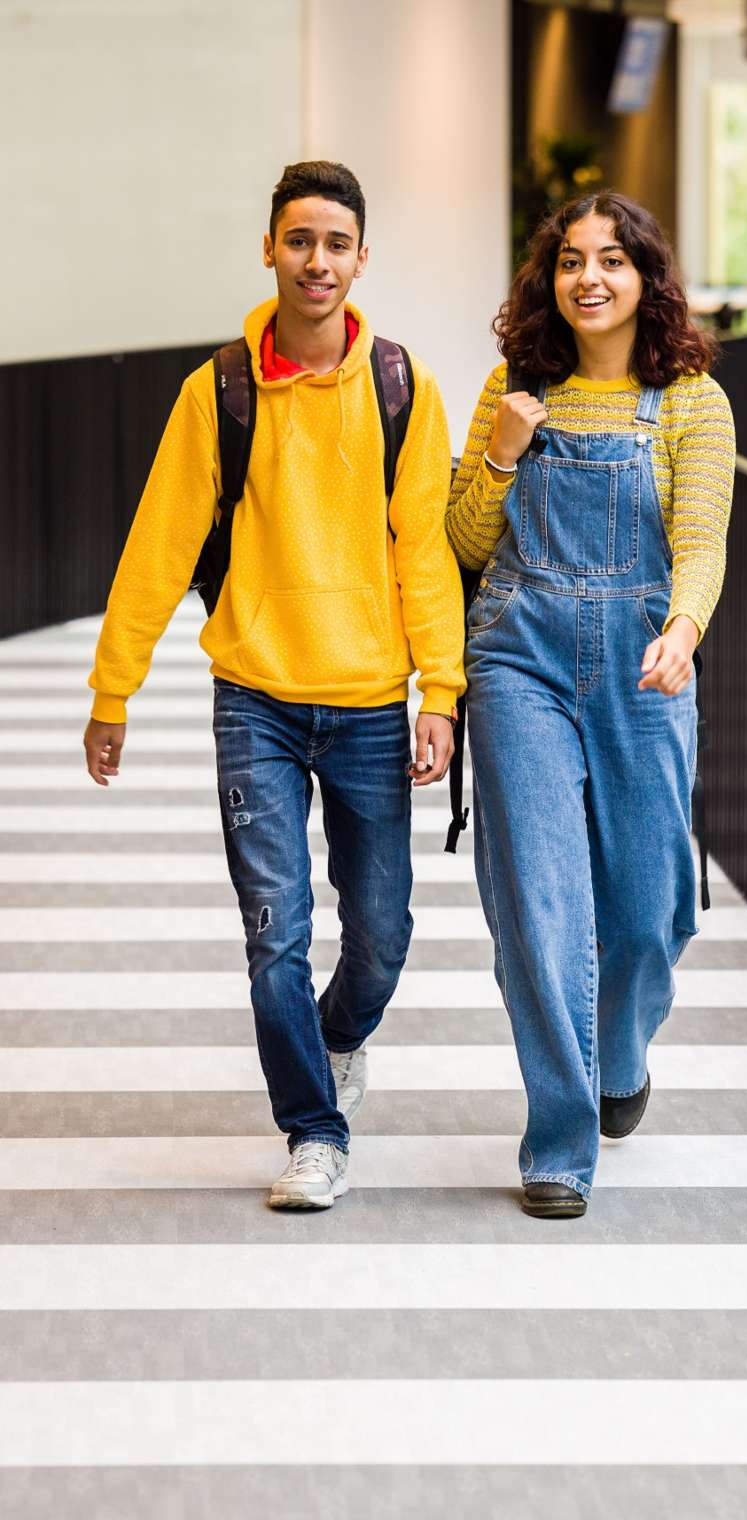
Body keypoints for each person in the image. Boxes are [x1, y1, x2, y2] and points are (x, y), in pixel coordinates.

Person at [83, 161, 464, 1209]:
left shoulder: (403, 386)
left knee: (380, 935)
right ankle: (313, 1128)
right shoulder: (218, 390)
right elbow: (158, 547)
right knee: (276, 931)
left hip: (368, 700)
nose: (317, 262)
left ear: (361, 259)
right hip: (253, 691)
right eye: (300, 240)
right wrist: (113, 690)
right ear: (269, 248)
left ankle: (337, 1035)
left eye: (337, 244)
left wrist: (442, 690)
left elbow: (423, 553)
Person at [447, 191, 735, 1219]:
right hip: (518, 659)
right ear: (549, 278)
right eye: (571, 260)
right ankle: (561, 1141)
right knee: (541, 902)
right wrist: (499, 454)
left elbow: (700, 541)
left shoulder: (692, 403)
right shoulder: (509, 389)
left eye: (612, 260)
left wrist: (684, 631)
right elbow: (471, 541)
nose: (590, 278)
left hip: (645, 661)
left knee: (654, 911)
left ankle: (619, 1056)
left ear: (645, 278)